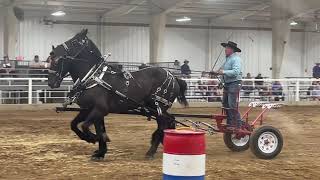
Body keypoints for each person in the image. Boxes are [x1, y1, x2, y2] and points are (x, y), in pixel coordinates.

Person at [211, 41, 243, 127]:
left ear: (232, 50)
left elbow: (236, 72)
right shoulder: (227, 60)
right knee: (225, 104)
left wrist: (222, 72)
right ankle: (230, 123)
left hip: (234, 83)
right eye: (226, 48)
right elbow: (222, 72)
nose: (225, 49)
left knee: (232, 105)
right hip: (228, 84)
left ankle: (238, 124)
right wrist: (216, 74)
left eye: (227, 48)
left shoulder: (236, 59)